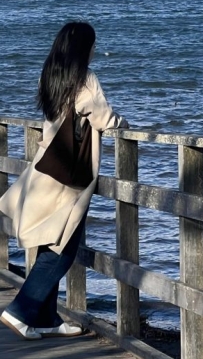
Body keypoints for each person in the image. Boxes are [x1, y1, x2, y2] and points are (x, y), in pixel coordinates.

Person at [0, 20, 128, 340]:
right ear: (84, 47)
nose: (95, 50)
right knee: (64, 250)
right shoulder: (84, 79)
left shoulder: (52, 76)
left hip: (48, 166)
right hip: (69, 177)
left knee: (51, 242)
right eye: (93, 44)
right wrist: (124, 125)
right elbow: (104, 117)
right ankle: (19, 311)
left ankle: (46, 318)